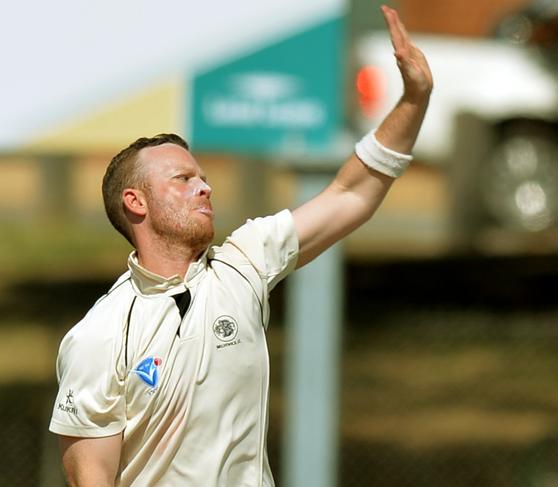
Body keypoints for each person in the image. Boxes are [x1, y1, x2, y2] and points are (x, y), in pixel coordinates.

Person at [48, 5, 433, 486]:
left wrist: (414, 100)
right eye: (183, 179)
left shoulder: (244, 263)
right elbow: (91, 479)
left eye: (204, 178)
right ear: (135, 202)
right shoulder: (101, 336)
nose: (204, 188)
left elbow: (351, 193)